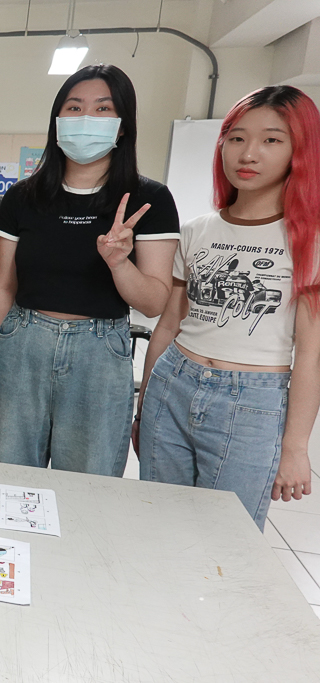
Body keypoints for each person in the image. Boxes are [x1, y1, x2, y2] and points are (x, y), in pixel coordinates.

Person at [137, 86, 320, 530]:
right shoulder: (197, 230)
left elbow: (310, 354)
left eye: (271, 140)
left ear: (300, 149)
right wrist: (144, 405)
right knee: (159, 524)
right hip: (172, 383)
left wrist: (296, 447)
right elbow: (169, 325)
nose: (248, 153)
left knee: (228, 537)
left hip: (252, 402)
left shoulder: (309, 241)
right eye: (236, 138)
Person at [0, 64, 179, 476]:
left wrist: (119, 263)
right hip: (22, 344)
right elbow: (3, 287)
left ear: (122, 126)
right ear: (57, 121)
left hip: (99, 351)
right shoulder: (22, 197)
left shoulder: (149, 199)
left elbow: (154, 302)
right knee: (8, 477)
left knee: (88, 483)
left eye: (103, 108)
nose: (86, 117)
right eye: (74, 107)